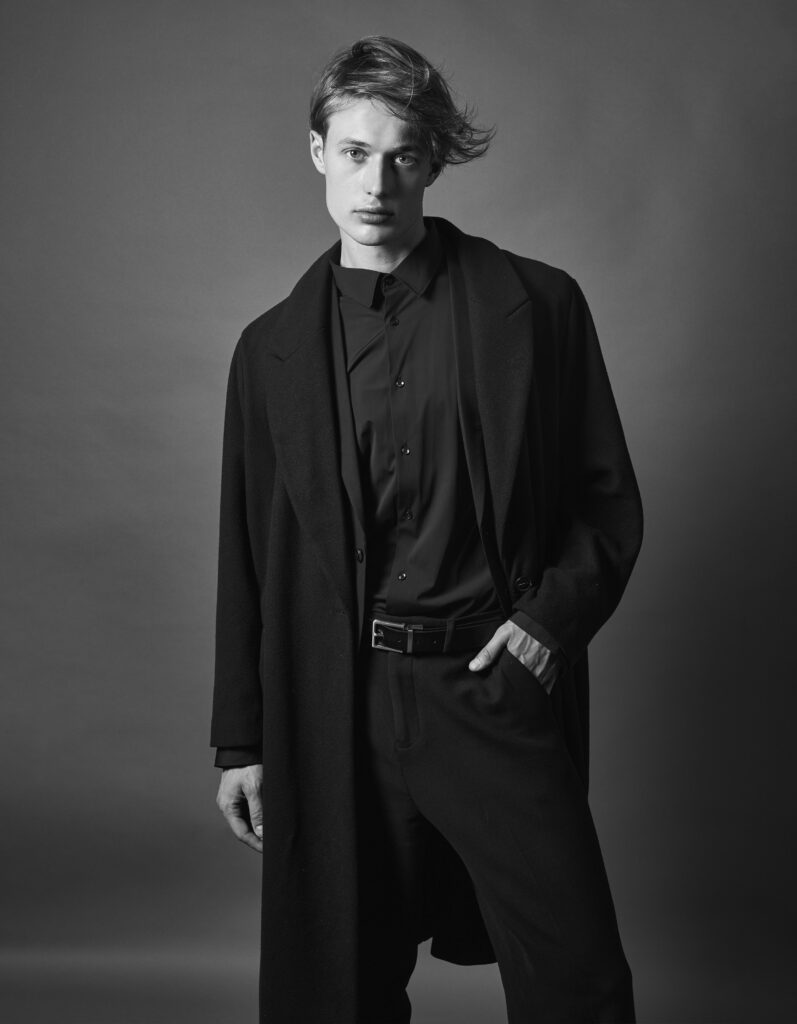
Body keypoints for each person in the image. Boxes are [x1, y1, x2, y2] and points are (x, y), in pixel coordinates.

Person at [211, 35, 643, 1024]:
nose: (376, 183)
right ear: (317, 152)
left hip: (487, 682)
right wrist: (240, 740)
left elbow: (605, 498)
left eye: (402, 155)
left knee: (573, 973)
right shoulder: (267, 350)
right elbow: (247, 554)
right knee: (340, 981)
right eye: (354, 152)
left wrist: (544, 626)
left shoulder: (537, 305)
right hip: (337, 698)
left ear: (433, 161)